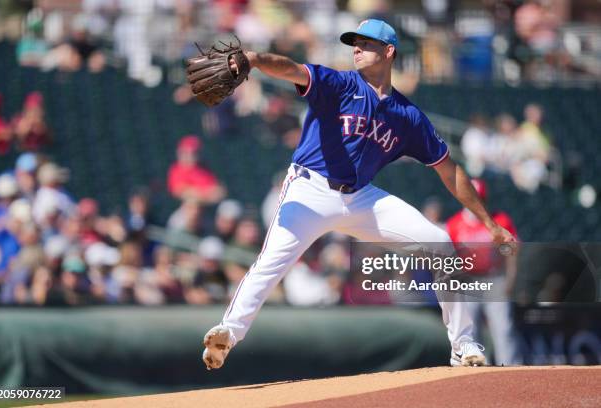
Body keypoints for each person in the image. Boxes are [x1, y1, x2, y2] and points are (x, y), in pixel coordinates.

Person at [202, 19, 516, 370]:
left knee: (439, 241)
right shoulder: (338, 84)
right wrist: (257, 59)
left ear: (388, 51)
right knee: (271, 263)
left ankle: (463, 345)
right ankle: (228, 332)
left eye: (366, 43)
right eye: (354, 43)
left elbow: (449, 170)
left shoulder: (407, 116)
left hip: (360, 198)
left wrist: (489, 223)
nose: (356, 48)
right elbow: (293, 69)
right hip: (310, 189)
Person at [445, 179, 522, 366]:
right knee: (471, 331)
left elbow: (512, 251)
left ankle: (510, 370)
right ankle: (478, 373)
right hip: (469, 281)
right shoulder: (454, 224)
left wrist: (510, 279)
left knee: (503, 328)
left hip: (494, 280)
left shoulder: (499, 220)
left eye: (478, 198)